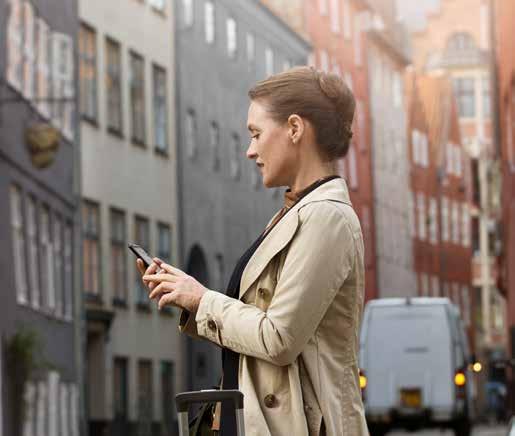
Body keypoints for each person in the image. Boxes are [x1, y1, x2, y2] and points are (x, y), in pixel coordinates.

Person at [137, 66, 368, 436]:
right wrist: (188, 295)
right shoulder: (294, 213)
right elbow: (256, 325)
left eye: (256, 134)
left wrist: (202, 300)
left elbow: (278, 339)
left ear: (294, 128)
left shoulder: (326, 217)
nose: (250, 150)